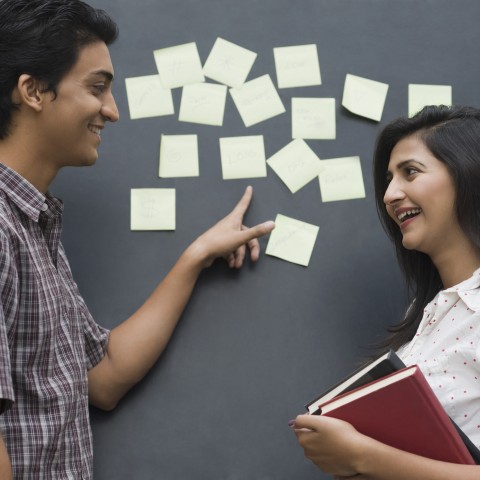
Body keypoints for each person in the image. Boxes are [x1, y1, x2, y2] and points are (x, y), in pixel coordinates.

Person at [0, 0, 275, 478]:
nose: (112, 111)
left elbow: (102, 378)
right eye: (97, 87)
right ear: (34, 91)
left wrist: (196, 257)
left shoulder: (33, 225)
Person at [291, 105, 480, 479]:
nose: (390, 194)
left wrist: (364, 456)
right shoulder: (429, 315)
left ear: (468, 173)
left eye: (410, 172)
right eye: (389, 179)